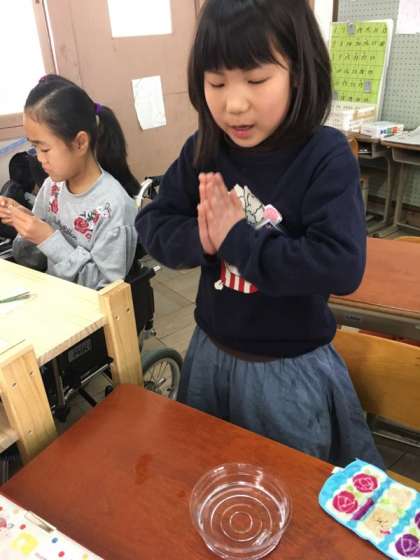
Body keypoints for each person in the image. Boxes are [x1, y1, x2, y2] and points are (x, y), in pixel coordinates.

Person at [136, 0, 384, 468]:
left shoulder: (324, 155)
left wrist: (236, 238)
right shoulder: (204, 149)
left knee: (290, 487)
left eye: (255, 80)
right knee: (205, 474)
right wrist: (204, 239)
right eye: (216, 83)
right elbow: (154, 222)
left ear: (299, 73)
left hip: (289, 370)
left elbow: (341, 264)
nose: (234, 103)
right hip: (209, 354)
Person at [0, 74, 139, 288]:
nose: (39, 158)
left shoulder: (114, 208)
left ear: (80, 143)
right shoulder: (52, 187)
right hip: (56, 296)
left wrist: (48, 239)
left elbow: (107, 289)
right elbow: (34, 256)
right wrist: (23, 218)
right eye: (35, 147)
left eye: (44, 148)